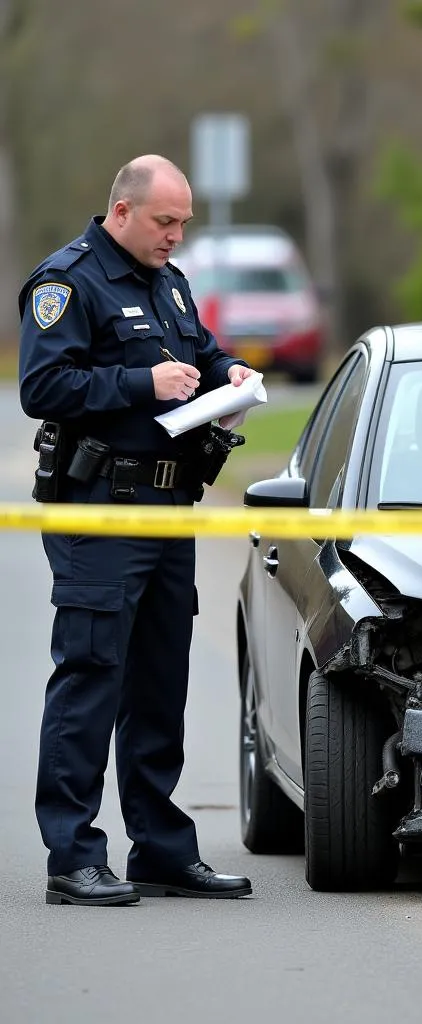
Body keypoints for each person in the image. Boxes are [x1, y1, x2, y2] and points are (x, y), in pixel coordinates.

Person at [19, 155, 255, 905]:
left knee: (160, 683)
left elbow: (202, 353)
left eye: (183, 222)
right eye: (165, 221)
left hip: (168, 508)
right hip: (101, 509)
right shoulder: (69, 281)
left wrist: (233, 374)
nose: (176, 235)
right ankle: (73, 856)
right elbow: (42, 386)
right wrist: (137, 383)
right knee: (92, 677)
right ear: (121, 211)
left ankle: (160, 848)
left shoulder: (169, 283)